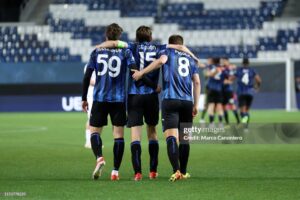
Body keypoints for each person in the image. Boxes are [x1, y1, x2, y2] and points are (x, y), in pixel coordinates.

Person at [96, 26, 198, 181]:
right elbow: (179, 47)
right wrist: (194, 56)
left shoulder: (131, 46)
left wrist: (99, 46)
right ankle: (153, 171)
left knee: (135, 136)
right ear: (151, 37)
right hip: (152, 96)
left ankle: (138, 173)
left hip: (134, 96)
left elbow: (114, 43)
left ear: (137, 37)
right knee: (153, 133)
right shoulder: (160, 47)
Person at [132, 35, 201, 182]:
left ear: (170, 44)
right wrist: (196, 104)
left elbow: (160, 62)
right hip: (187, 101)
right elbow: (197, 82)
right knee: (184, 139)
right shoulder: (190, 59)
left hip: (170, 99)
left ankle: (176, 170)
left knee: (171, 137)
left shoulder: (167, 52)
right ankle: (183, 172)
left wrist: (142, 72)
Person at [82, 23, 136, 181]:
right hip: (118, 99)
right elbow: (134, 71)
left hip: (99, 98)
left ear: (106, 35)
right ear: (119, 37)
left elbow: (87, 77)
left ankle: (99, 157)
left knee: (94, 131)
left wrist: (84, 98)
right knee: (118, 135)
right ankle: (115, 172)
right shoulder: (126, 51)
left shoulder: (97, 51)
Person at [234, 58, 262, 124]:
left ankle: (245, 125)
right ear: (249, 63)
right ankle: (246, 126)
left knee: (242, 111)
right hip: (250, 93)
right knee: (246, 110)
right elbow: (259, 80)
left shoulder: (239, 70)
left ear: (242, 63)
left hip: (241, 92)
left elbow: (231, 78)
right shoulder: (252, 70)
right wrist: (257, 87)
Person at [206, 58, 225, 125]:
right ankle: (220, 123)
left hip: (212, 89)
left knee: (211, 106)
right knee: (219, 106)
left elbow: (208, 74)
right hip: (219, 89)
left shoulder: (210, 66)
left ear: (213, 61)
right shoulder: (222, 68)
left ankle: (211, 123)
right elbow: (224, 79)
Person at [220, 57, 240, 124]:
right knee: (224, 106)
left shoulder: (228, 69)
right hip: (222, 91)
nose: (222, 62)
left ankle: (238, 121)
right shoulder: (223, 69)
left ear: (227, 61)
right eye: (222, 61)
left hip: (228, 91)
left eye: (224, 61)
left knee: (232, 105)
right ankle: (227, 122)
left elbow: (231, 78)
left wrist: (228, 80)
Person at [83, 64, 96, 149]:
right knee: (91, 119)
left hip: (99, 94)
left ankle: (94, 141)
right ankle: (88, 142)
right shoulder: (89, 65)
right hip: (91, 94)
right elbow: (89, 80)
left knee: (97, 120)